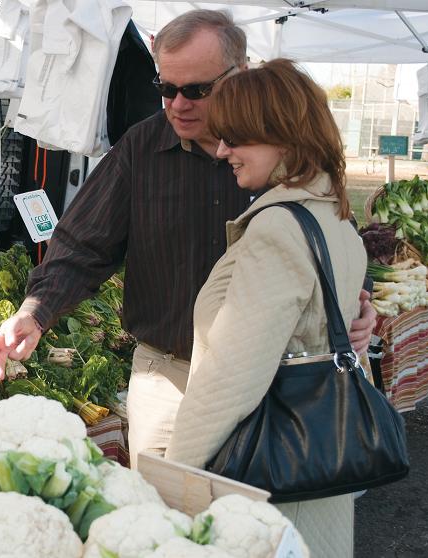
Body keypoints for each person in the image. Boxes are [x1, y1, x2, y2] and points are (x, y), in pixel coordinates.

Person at [0, 9, 376, 467]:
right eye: (166, 88)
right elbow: (83, 244)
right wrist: (36, 310)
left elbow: (329, 243)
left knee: (250, 521)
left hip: (276, 382)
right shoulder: (142, 146)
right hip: (167, 377)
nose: (177, 105)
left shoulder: (284, 158)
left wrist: (353, 302)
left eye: (196, 90)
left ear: (240, 73)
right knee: (167, 520)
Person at [163, 58, 364, 556]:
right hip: (317, 467)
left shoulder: (278, 228)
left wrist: (172, 479)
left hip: (274, 482)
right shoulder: (331, 214)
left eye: (237, 137)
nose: (224, 150)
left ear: (285, 136)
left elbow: (233, 375)